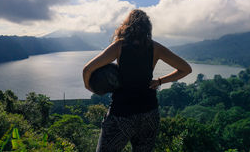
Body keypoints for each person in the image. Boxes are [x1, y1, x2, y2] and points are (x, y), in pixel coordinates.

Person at [82, 9, 192, 152]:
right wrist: (159, 81)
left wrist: (89, 87)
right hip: (149, 113)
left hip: (121, 114)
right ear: (148, 28)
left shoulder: (119, 46)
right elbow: (186, 69)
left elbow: (87, 69)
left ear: (126, 26)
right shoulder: (155, 47)